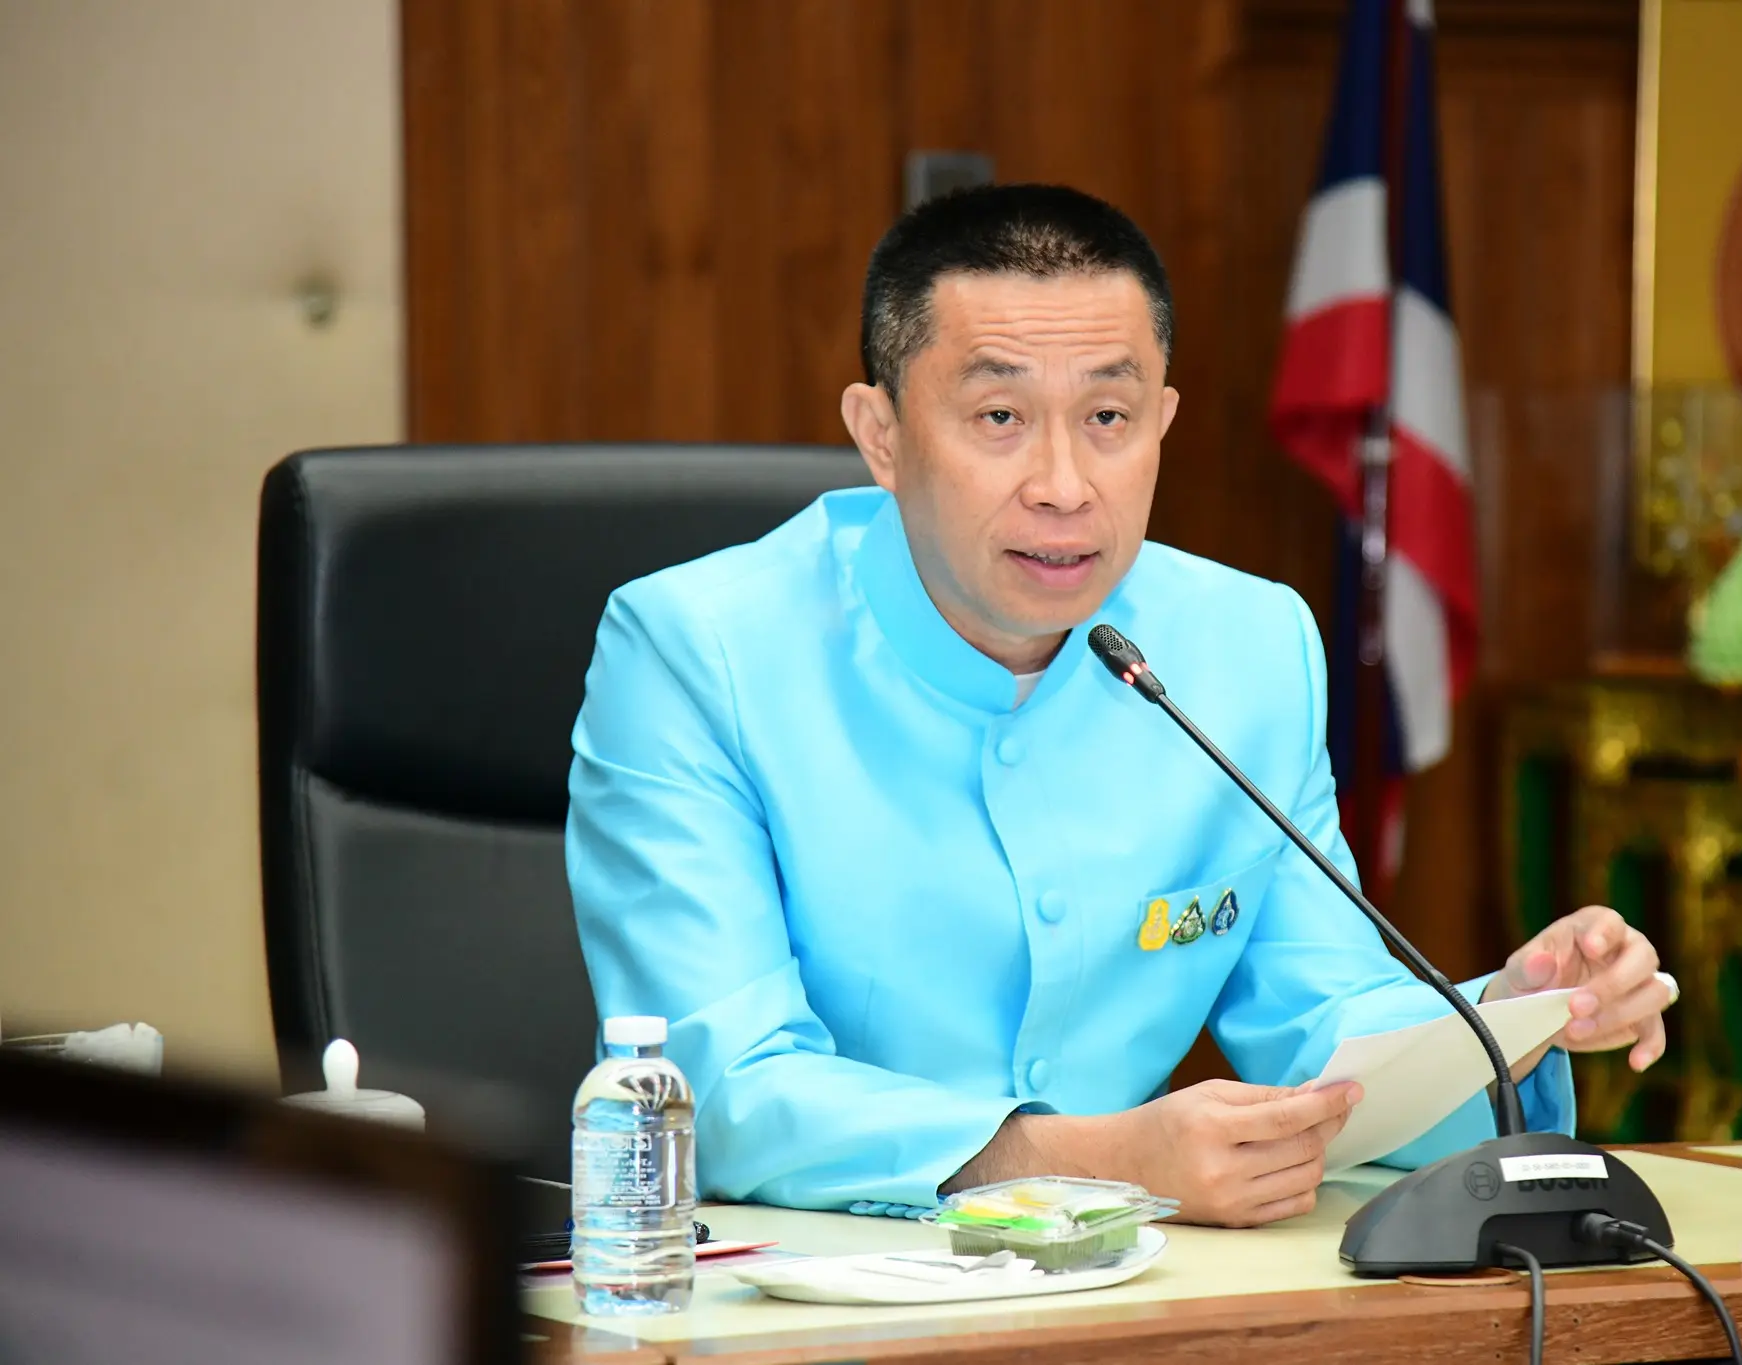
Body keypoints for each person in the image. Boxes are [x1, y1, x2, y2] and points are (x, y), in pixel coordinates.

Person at [567, 184, 1670, 1227]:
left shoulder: (1248, 648)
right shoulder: (695, 652)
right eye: (999, 415)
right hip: (811, 1298)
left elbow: (1321, 1021)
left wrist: (1509, 1016)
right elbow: (720, 1083)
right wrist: (1096, 1160)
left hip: (1131, 1289)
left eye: (1107, 415)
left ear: (1163, 422)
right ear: (881, 435)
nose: (1063, 484)